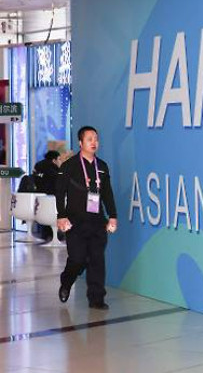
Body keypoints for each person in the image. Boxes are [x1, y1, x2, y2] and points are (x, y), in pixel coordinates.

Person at [56, 126, 118, 310]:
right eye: (89, 139)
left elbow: (107, 194)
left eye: (96, 139)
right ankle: (66, 281)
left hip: (97, 222)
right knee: (78, 258)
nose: (94, 142)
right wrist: (61, 216)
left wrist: (112, 216)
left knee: (97, 260)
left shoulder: (102, 167)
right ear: (80, 143)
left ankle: (96, 298)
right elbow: (60, 192)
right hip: (75, 222)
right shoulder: (69, 166)